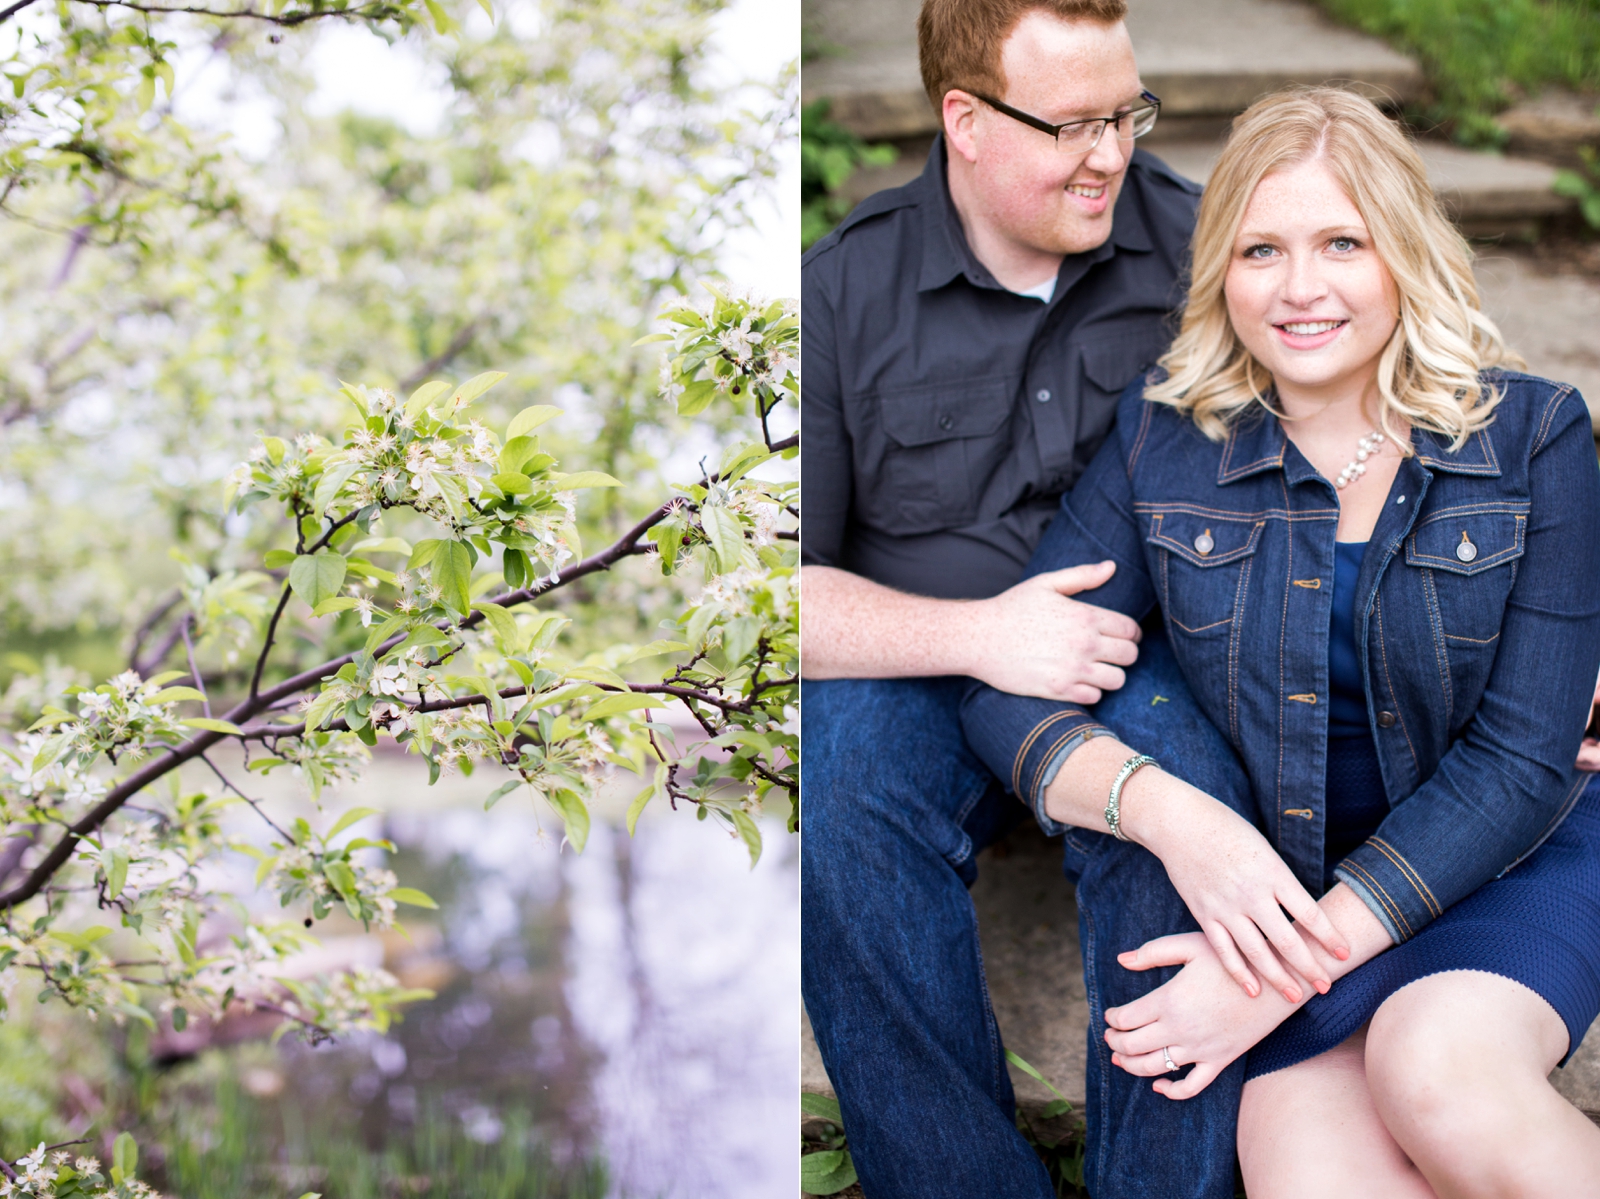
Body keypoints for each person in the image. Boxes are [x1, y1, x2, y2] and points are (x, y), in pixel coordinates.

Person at [961, 86, 1600, 1197]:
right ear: (1220, 271)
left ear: (1402, 252)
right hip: (1293, 885)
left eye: (1341, 242)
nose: (1300, 288)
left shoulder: (1532, 437)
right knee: (1302, 1164)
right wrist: (1174, 813)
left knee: (1436, 1065)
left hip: (1507, 859)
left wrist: (1276, 969)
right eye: (1261, 248)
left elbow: (1523, 760)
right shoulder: (1166, 437)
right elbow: (1006, 686)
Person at [801, 2, 1348, 1195]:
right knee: (841, 807)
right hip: (919, 661)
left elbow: (1373, 414)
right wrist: (979, 633)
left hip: (1133, 651)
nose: (1111, 154)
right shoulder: (840, 291)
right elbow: (777, 593)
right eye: (1073, 125)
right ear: (965, 121)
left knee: (1188, 812)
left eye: (1125, 113)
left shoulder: (1204, 245)